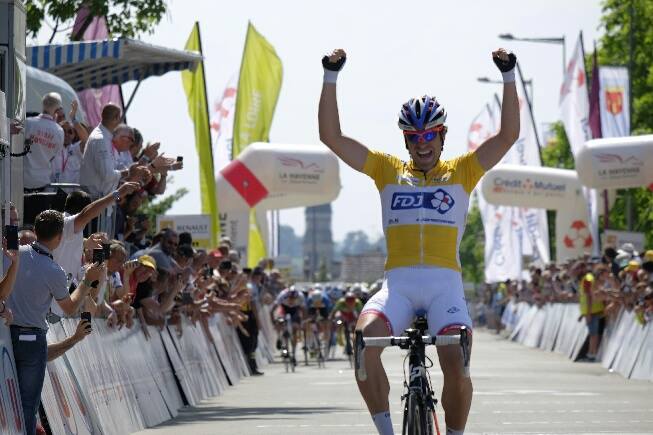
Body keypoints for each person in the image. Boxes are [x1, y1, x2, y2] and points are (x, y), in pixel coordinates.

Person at [318, 48, 520, 435]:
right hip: (399, 286)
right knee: (363, 342)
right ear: (406, 140)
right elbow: (331, 136)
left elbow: (508, 135)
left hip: (446, 288)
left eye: (428, 135)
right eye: (413, 137)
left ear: (441, 136)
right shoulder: (387, 169)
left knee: (457, 364)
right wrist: (330, 76)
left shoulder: (463, 171)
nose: (421, 143)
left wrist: (509, 76)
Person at [3, 210, 103, 435]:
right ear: (59, 237)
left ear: (35, 231)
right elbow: (68, 308)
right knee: (28, 406)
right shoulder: (53, 270)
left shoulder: (12, 253)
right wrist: (87, 280)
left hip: (5, 333)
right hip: (31, 342)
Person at [24, 93, 65, 192]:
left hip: (22, 179)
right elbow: (55, 156)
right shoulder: (59, 131)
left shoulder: (28, 122)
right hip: (42, 182)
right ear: (58, 110)